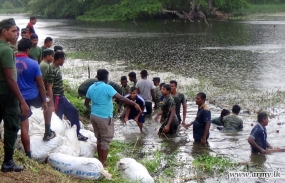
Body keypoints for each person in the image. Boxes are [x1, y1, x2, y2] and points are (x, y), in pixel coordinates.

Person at [84, 69, 142, 167]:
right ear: (106, 77)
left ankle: (100, 160)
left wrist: (93, 110)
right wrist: (134, 103)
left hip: (93, 116)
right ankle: (103, 163)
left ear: (97, 76)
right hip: (104, 117)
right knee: (105, 140)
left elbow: (86, 103)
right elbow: (121, 98)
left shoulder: (91, 87)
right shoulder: (107, 87)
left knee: (99, 138)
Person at [16, 38, 56, 158]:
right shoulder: (33, 63)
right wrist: (44, 101)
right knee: (49, 104)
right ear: (28, 50)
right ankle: (47, 132)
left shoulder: (10, 61)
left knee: (24, 124)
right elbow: (40, 85)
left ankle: (28, 153)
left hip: (17, 97)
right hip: (32, 96)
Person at [0, 18, 29, 172]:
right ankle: (8, 163)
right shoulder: (5, 50)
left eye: (17, 31)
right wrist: (22, 101)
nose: (16, 34)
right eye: (13, 31)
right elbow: (10, 79)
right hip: (7, 95)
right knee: (12, 126)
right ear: (4, 31)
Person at [45, 51, 88, 141]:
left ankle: (77, 134)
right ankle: (56, 137)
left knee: (74, 112)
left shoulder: (56, 68)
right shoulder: (52, 69)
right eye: (64, 59)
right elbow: (49, 87)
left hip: (61, 97)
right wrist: (52, 104)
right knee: (58, 119)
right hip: (56, 98)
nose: (64, 61)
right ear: (60, 59)